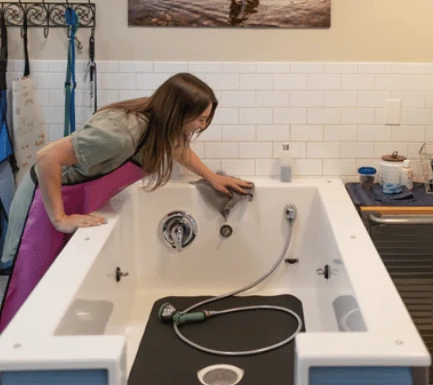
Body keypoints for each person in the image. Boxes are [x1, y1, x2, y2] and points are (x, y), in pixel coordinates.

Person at [0, 72, 253, 333]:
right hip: (45, 199)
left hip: (76, 196)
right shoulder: (121, 134)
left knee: (56, 283)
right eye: (200, 119)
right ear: (178, 113)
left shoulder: (160, 125)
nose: (201, 126)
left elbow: (178, 148)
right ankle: (12, 358)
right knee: (30, 282)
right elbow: (47, 158)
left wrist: (211, 178)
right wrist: (60, 218)